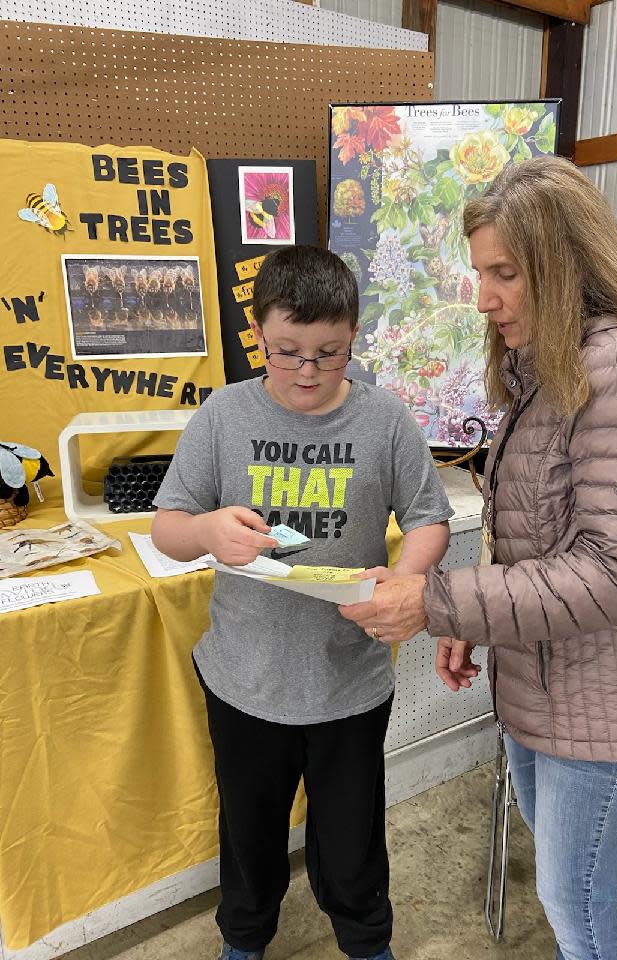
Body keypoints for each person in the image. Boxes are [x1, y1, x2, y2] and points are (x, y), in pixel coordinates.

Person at [339, 155, 617, 960]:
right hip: (550, 687)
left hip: (610, 712)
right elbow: (535, 537)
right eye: (480, 272)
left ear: (563, 262)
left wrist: (437, 602)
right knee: (567, 892)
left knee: (579, 908)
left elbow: (613, 571)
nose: (485, 297)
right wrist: (471, 623)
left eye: (504, 273)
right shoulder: (547, 368)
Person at [151, 245, 452, 960]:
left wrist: (406, 579)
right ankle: (245, 940)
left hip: (349, 681)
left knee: (352, 844)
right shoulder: (224, 415)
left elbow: (428, 518)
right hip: (244, 682)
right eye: (288, 352)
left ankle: (366, 941)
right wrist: (204, 531)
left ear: (354, 337)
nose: (309, 373)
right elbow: (167, 528)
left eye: (330, 353)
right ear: (257, 334)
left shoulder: (383, 419)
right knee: (249, 838)